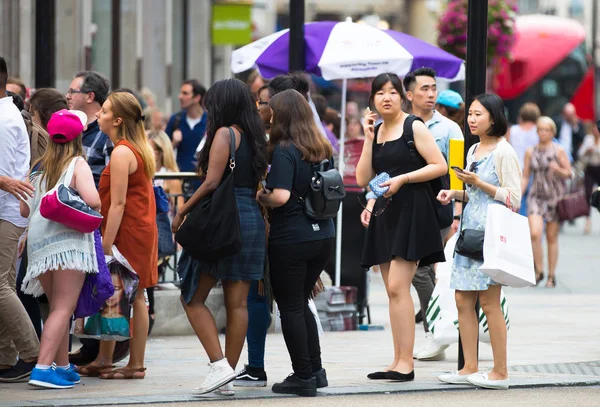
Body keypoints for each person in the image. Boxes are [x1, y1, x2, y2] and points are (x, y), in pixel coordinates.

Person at [172, 78, 267, 396]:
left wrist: (182, 209)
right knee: (238, 303)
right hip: (250, 219)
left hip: (225, 220)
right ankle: (225, 372)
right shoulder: (256, 136)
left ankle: (219, 366)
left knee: (193, 297)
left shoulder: (225, 134)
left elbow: (212, 181)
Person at [356, 73, 446, 382]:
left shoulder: (413, 126)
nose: (386, 98)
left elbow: (440, 165)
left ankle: (406, 363)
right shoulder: (378, 130)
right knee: (392, 292)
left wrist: (404, 179)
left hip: (413, 210)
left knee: (398, 287)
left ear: (402, 97)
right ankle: (396, 361)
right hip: (386, 212)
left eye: (392, 92)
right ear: (373, 100)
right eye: (380, 93)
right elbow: (361, 178)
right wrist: (368, 139)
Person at [437, 93, 521, 390]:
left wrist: (478, 183)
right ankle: (469, 367)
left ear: (494, 118)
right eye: (470, 114)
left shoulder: (504, 152)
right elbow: (476, 195)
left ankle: (500, 371)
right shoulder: (473, 149)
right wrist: (456, 193)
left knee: (489, 302)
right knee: (462, 299)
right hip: (469, 234)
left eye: (478, 114)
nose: (471, 119)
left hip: (491, 235)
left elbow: (514, 197)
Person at [256, 89, 334, 397]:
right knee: (302, 303)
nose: (269, 115)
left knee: (290, 306)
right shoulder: (320, 146)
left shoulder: (284, 149)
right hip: (323, 234)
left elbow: (281, 196)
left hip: (292, 237)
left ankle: (303, 376)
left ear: (282, 115)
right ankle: (315, 370)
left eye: (272, 111)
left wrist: (261, 195)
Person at [80, 92, 158, 380]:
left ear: (118, 119)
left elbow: (120, 203)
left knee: (135, 295)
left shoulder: (123, 151)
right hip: (134, 228)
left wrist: (107, 242)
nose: (99, 115)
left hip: (129, 231)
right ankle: (104, 358)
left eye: (105, 111)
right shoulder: (130, 148)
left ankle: (135, 364)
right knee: (116, 293)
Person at [21, 109, 100, 389]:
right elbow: (94, 200)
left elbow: (23, 208)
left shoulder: (38, 166)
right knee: (63, 309)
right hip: (68, 244)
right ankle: (43, 369)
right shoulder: (77, 163)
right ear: (78, 137)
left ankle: (63, 366)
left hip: (40, 243)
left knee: (57, 307)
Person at [402, 67, 464, 361]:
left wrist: (457, 214)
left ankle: (435, 332)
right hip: (406, 209)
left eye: (433, 88)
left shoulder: (451, 128)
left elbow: (457, 174)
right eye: (424, 88)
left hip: (438, 209)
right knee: (418, 273)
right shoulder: (400, 125)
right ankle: (438, 330)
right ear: (410, 94)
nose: (430, 94)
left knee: (422, 271)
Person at [0, 56, 39, 383]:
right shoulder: (7, 114)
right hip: (10, 211)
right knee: (4, 285)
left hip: (6, 212)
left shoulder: (3, 119)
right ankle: (6, 356)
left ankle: (31, 354)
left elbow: (6, 176)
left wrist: (2, 182)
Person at [522, 117, 572, 288]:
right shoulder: (530, 151)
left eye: (546, 130)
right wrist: (518, 195)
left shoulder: (558, 150)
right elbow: (525, 175)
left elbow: (569, 173)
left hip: (555, 197)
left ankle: (551, 275)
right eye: (540, 129)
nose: (543, 133)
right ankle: (539, 270)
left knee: (551, 237)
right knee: (535, 233)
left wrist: (559, 170)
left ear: (552, 132)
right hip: (536, 196)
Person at [66, 71, 113, 187]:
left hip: (95, 203)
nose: (67, 96)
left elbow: (113, 182)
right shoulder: (68, 128)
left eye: (72, 92)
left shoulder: (107, 133)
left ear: (90, 96)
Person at [165, 79, 208, 173]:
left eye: (185, 93)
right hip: (180, 178)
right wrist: (174, 143)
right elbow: (162, 153)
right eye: (181, 93)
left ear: (197, 97)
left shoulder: (210, 121)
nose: (180, 97)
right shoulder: (175, 119)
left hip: (202, 179)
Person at [579, 121, 600, 235]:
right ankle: (588, 219)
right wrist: (588, 150)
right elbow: (580, 153)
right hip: (590, 169)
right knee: (588, 193)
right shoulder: (588, 139)